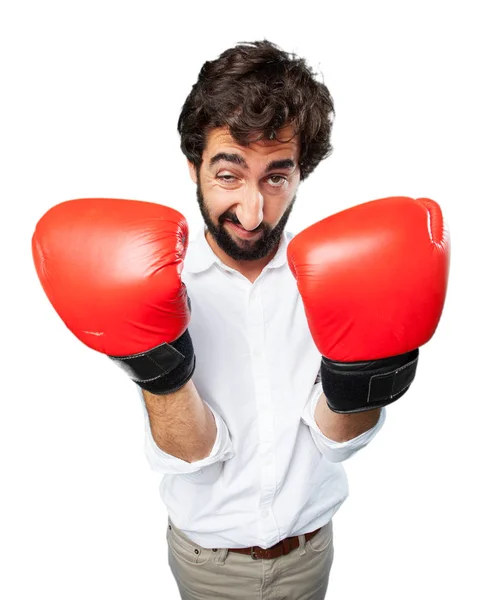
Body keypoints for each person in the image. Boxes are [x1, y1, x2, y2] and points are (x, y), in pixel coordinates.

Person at [32, 40, 449, 600]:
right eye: (229, 176)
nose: (253, 214)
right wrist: (160, 370)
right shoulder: (160, 283)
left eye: (277, 178)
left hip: (310, 552)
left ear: (303, 172)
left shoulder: (335, 275)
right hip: (207, 561)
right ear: (193, 166)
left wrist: (369, 372)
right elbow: (190, 452)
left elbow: (335, 443)